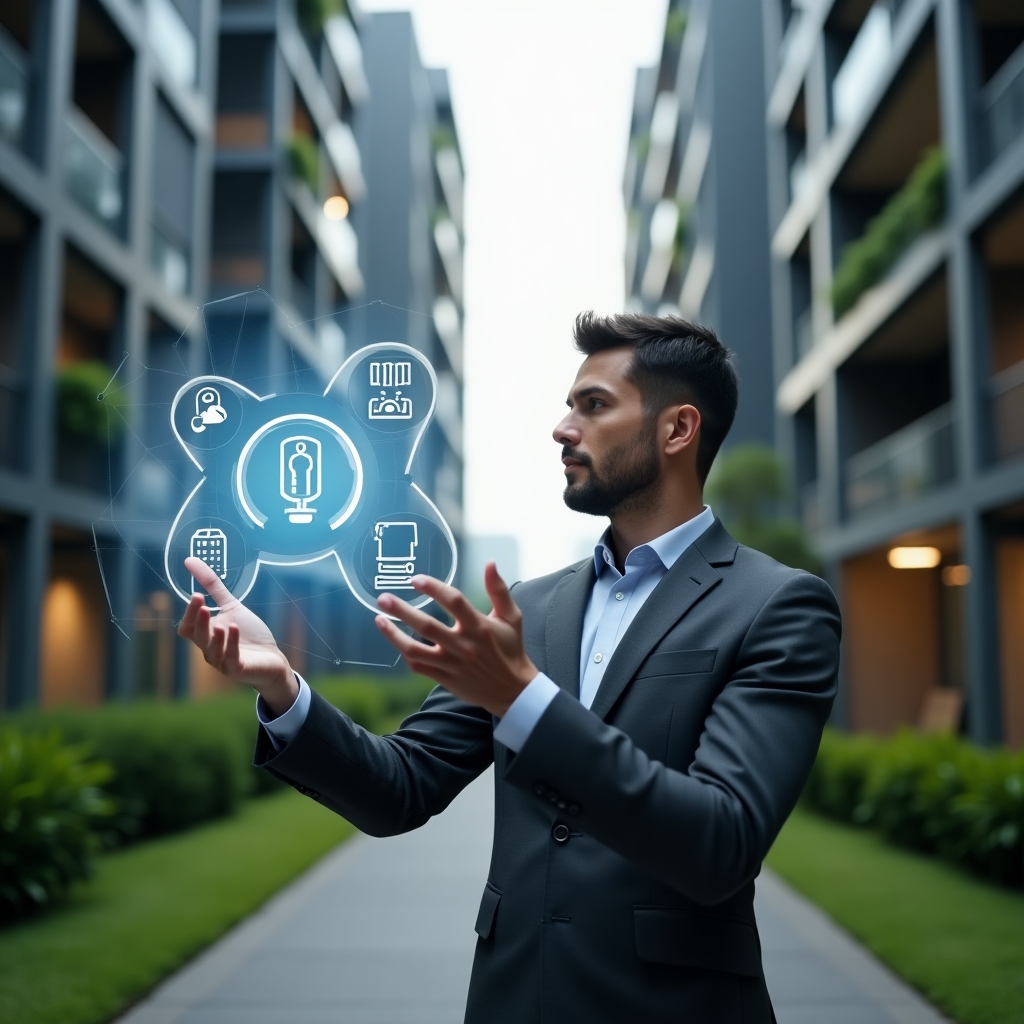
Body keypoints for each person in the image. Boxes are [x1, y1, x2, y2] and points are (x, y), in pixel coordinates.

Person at [178, 313, 841, 1023]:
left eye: (593, 405)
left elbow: (722, 844)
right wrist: (283, 688)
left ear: (678, 429)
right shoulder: (531, 608)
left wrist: (525, 703)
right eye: (568, 405)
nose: (562, 429)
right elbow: (400, 787)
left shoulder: (777, 605)